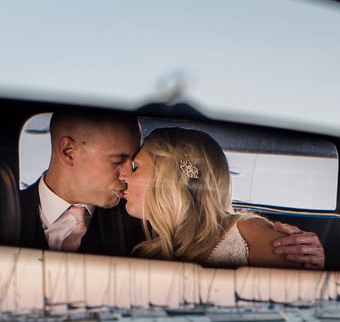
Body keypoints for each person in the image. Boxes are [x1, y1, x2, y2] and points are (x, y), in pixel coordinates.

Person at [18, 109, 324, 268]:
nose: (125, 175)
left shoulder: (147, 223)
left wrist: (305, 256)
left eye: (133, 163)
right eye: (118, 160)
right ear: (69, 152)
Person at [118, 126, 314, 269]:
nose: (123, 176)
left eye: (135, 167)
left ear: (168, 177)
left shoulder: (251, 234)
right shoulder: (149, 250)